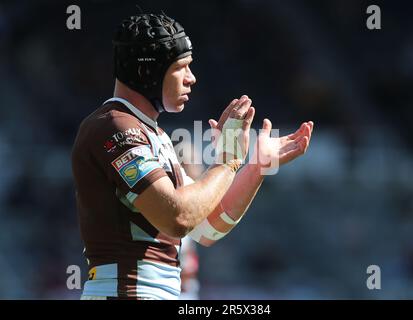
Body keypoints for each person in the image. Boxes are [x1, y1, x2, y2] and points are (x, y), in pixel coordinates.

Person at [71, 12, 313, 300]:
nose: (191, 78)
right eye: (181, 67)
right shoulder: (115, 127)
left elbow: (207, 227)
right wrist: (227, 161)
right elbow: (179, 217)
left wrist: (255, 167)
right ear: (147, 71)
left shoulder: (152, 133)